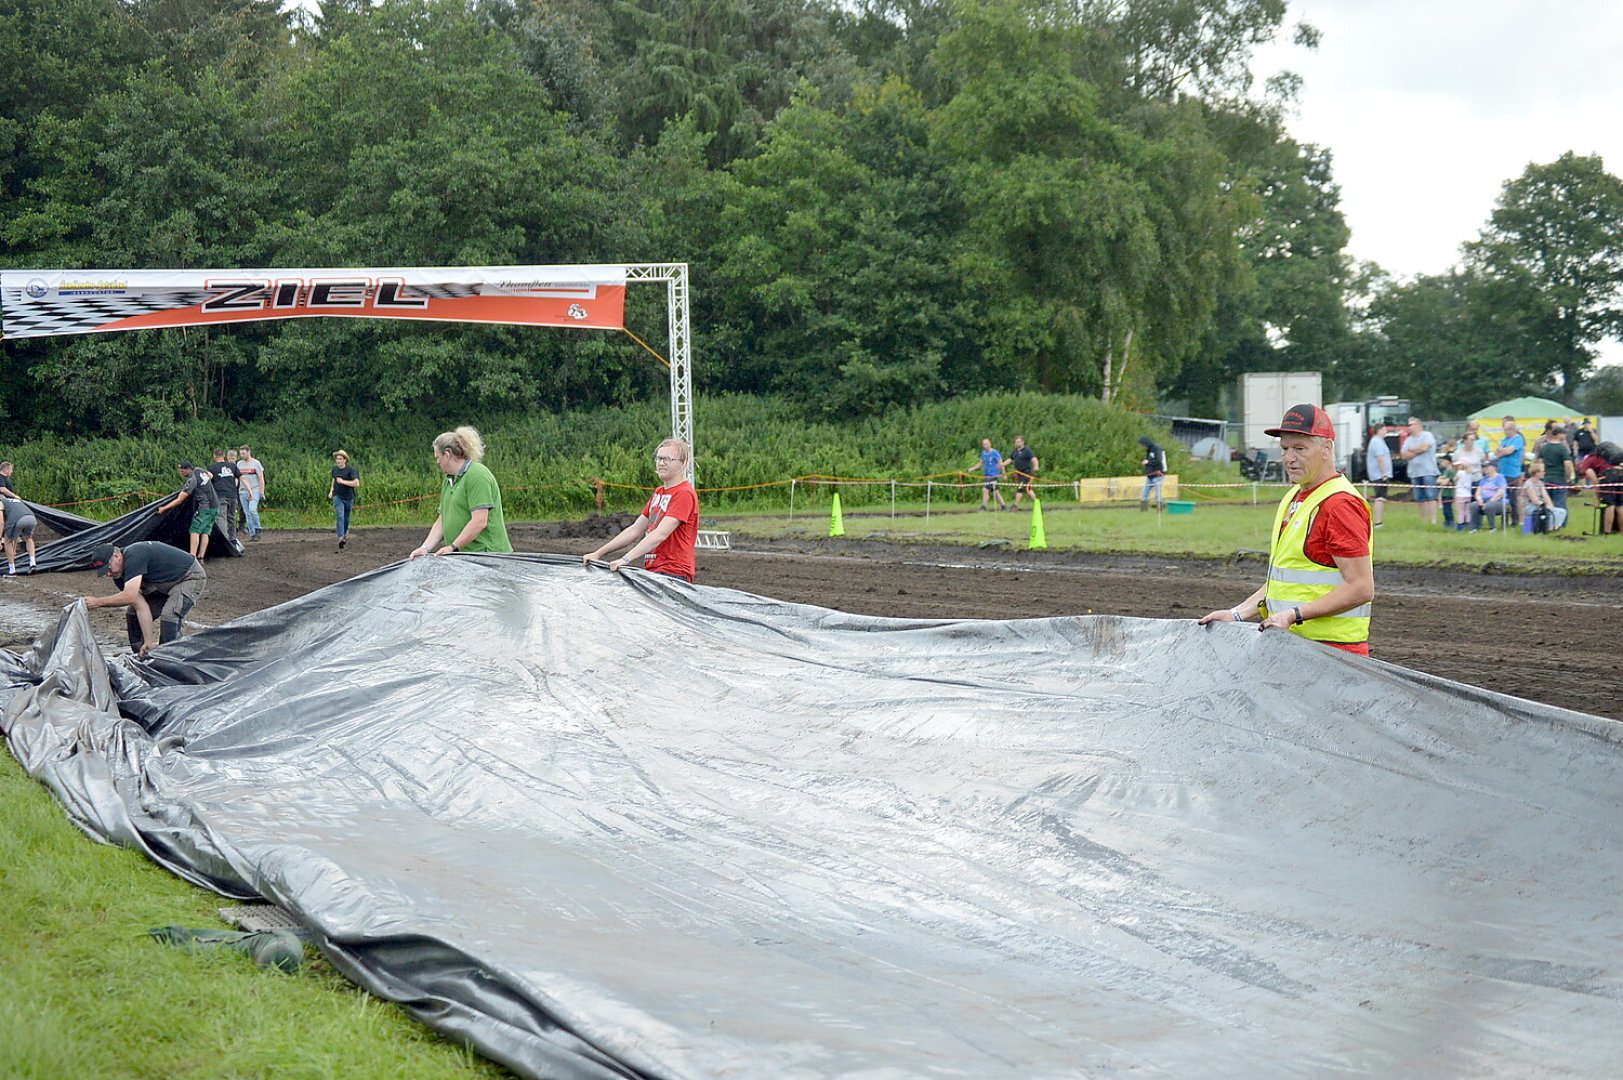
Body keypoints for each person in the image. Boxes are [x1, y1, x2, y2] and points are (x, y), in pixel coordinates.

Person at [1197, 404, 1374, 655]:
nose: (1289, 458)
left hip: (1332, 655)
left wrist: (1293, 615)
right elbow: (1283, 583)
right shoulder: (1297, 497)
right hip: (1294, 648)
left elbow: (1361, 588)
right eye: (1284, 449)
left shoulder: (1339, 505)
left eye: (1299, 448)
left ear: (1327, 449)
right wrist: (1236, 614)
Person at [583, 439, 700, 582]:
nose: (661, 463)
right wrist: (598, 553)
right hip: (654, 570)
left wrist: (625, 559)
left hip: (673, 573)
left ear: (683, 463)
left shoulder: (684, 494)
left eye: (667, 459)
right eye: (659, 458)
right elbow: (635, 530)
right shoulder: (659, 493)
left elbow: (660, 534)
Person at [83, 541, 207, 656]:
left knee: (170, 615)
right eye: (105, 572)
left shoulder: (134, 554)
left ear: (117, 556)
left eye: (109, 568)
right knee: (132, 614)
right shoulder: (119, 576)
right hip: (162, 584)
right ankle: (141, 656)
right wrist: (149, 641)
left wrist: (97, 602)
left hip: (189, 577)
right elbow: (140, 606)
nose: (109, 574)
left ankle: (170, 660)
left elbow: (129, 595)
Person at [410, 426, 511, 558]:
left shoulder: (477, 476)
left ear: (447, 454)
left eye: (438, 457)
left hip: (488, 556)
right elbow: (443, 519)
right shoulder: (449, 481)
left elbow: (480, 521)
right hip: (465, 557)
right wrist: (425, 548)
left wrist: (452, 547)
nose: (437, 462)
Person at [158, 460, 219, 561]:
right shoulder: (200, 470)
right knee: (205, 531)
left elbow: (179, 500)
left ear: (187, 470)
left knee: (194, 530)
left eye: (182, 471)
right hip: (215, 506)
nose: (180, 473)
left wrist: (164, 508)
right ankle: (201, 557)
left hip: (205, 507)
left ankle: (192, 558)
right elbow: (211, 475)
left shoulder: (192, 480)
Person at [1400, 416, 1440, 526]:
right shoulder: (1408, 440)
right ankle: (1424, 521)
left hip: (1428, 471)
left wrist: (1411, 450)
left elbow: (1425, 448)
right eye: (1409, 425)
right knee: (1420, 498)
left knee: (1431, 496)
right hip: (1414, 472)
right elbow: (1403, 455)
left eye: (1411, 424)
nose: (1409, 427)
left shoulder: (1427, 435)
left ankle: (1433, 520)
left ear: (1418, 425)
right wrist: (1417, 450)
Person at [1536, 425, 1575, 529]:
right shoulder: (1562, 449)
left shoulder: (1544, 448)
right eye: (1564, 434)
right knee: (1560, 503)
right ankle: (1560, 524)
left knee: (1547, 502)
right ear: (1558, 435)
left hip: (1546, 479)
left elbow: (1539, 463)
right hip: (1559, 479)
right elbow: (1567, 465)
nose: (1565, 436)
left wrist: (1541, 476)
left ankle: (1547, 523)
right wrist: (1568, 477)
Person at [206, 448, 241, 545]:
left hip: (220, 495)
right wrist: (250, 490)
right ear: (224, 455)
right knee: (232, 517)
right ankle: (233, 538)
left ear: (214, 456)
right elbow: (242, 478)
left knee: (221, 517)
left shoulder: (212, 467)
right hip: (233, 495)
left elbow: (208, 481)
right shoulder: (232, 466)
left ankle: (224, 540)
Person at [1451, 433, 1483, 532]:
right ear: (1464, 440)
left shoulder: (1479, 451)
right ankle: (1463, 523)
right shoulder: (1458, 452)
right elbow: (1454, 466)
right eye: (1470, 439)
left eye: (1473, 440)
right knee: (1463, 505)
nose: (1471, 442)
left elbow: (1482, 464)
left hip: (1476, 479)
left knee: (1476, 502)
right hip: (1463, 482)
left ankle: (1476, 524)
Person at [328, 450, 360, 550]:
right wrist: (331, 491)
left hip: (349, 497)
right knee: (340, 515)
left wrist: (343, 482)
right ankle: (340, 537)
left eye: (340, 459)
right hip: (338, 496)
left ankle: (345, 534)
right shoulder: (334, 469)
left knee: (346, 518)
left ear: (345, 460)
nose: (338, 461)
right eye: (337, 459)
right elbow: (334, 480)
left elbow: (356, 483)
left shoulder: (351, 471)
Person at [1365, 424, 1393, 527]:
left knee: (1381, 498)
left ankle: (1379, 521)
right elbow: (1380, 458)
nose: (1386, 431)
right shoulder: (1377, 442)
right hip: (1379, 475)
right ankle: (1378, 522)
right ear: (1379, 430)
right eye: (1384, 429)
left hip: (1379, 474)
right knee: (1380, 498)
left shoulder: (1379, 441)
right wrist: (1384, 474)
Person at [1494, 417, 1526, 509]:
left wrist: (1502, 450)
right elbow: (1497, 452)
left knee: (1513, 498)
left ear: (1512, 429)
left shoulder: (1518, 439)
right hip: (1502, 471)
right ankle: (1505, 518)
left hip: (1513, 473)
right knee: (1503, 496)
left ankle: (1515, 519)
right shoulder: (1505, 439)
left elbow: (1509, 451)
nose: (1504, 432)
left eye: (1506, 430)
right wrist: (1502, 450)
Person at [1, 495, 37, 574]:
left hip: (18, 519)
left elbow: (1, 522)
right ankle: (32, 563)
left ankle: (12, 569)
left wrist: (0, 539)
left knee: (7, 541)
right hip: (32, 518)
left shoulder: (1, 502)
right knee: (29, 538)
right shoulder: (14, 501)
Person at [1519, 460, 1558, 532]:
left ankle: (1553, 527)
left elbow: (1546, 496)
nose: (1544, 473)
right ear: (1537, 472)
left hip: (1540, 505)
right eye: (1543, 471)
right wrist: (1546, 507)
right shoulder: (1528, 484)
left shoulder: (1540, 483)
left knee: (1560, 511)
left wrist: (1551, 507)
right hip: (1529, 506)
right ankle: (1548, 528)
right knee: (1549, 511)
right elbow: (1534, 500)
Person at [1471, 460, 1510, 531]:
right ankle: (1474, 528)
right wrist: (1479, 500)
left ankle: (1492, 527)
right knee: (1473, 505)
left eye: (1486, 467)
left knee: (1489, 506)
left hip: (1499, 502)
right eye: (1483, 467)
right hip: (1484, 501)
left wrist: (1490, 501)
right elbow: (1478, 492)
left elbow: (1501, 492)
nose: (1484, 468)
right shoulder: (1483, 479)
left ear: (1494, 468)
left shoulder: (1500, 477)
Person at [237, 444, 265, 539]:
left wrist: (262, 492)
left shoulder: (256, 463)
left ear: (248, 452)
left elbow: (261, 478)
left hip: (255, 489)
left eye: (243, 453)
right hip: (243, 491)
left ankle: (257, 528)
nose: (242, 455)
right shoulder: (239, 464)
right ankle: (252, 533)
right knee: (247, 513)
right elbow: (237, 478)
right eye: (241, 454)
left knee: (252, 509)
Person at [1009, 436, 1040, 510]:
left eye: (1018, 442)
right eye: (1016, 442)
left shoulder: (1027, 450)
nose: (1017, 443)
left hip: (1026, 474)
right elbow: (1010, 459)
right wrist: (1002, 464)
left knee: (1020, 489)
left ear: (1023, 442)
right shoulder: (1015, 451)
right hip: (1019, 474)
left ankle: (1015, 506)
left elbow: (1034, 459)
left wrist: (1036, 466)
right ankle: (1037, 504)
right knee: (1028, 490)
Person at [1137, 436, 1166, 511]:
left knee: (1158, 494)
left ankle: (1159, 510)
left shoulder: (1157, 448)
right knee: (1144, 493)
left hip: (1158, 475)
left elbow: (1158, 460)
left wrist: (1148, 462)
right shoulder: (1149, 450)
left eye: (1142, 445)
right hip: (1150, 475)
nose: (1142, 447)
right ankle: (1143, 510)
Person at [977, 438, 1007, 511]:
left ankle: (984, 507)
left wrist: (1004, 474)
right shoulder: (983, 453)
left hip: (994, 475)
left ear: (990, 444)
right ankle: (1003, 506)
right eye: (984, 445)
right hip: (987, 475)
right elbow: (980, 463)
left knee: (985, 489)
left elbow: (1000, 463)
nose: (985, 446)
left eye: (987, 444)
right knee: (995, 492)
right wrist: (971, 469)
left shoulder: (995, 452)